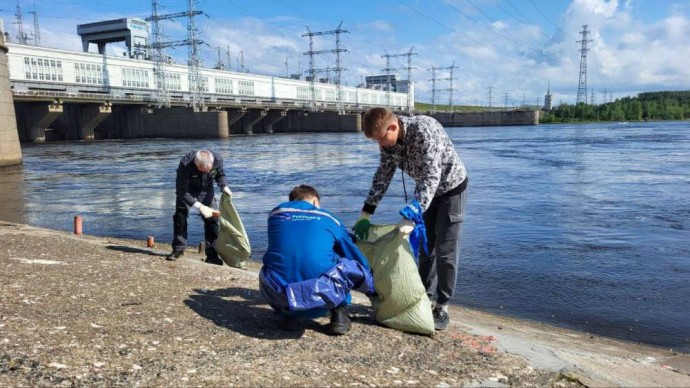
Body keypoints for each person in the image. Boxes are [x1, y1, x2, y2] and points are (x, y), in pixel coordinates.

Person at [353, 107, 468, 331]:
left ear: (393, 126)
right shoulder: (389, 144)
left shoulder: (425, 129)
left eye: (381, 139)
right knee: (427, 247)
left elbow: (431, 176)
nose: (381, 145)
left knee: (446, 250)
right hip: (426, 195)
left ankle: (442, 306)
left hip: (451, 189)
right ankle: (425, 296)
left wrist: (414, 213)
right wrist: (367, 212)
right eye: (376, 142)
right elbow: (383, 176)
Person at [259, 185, 375, 335]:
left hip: (282, 297)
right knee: (346, 263)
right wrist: (371, 283)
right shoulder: (328, 218)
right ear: (315, 201)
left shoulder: (275, 214)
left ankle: (287, 315)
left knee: (273, 261)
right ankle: (338, 314)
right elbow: (353, 255)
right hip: (323, 298)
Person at [166, 149, 233, 265]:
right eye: (201, 170)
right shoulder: (185, 163)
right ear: (195, 164)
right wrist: (200, 206)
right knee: (180, 217)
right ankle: (178, 249)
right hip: (187, 190)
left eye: (207, 170)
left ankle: (212, 255)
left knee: (212, 220)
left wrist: (224, 186)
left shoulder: (217, 159)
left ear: (212, 164)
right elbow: (181, 192)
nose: (204, 172)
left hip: (206, 190)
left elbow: (220, 175)